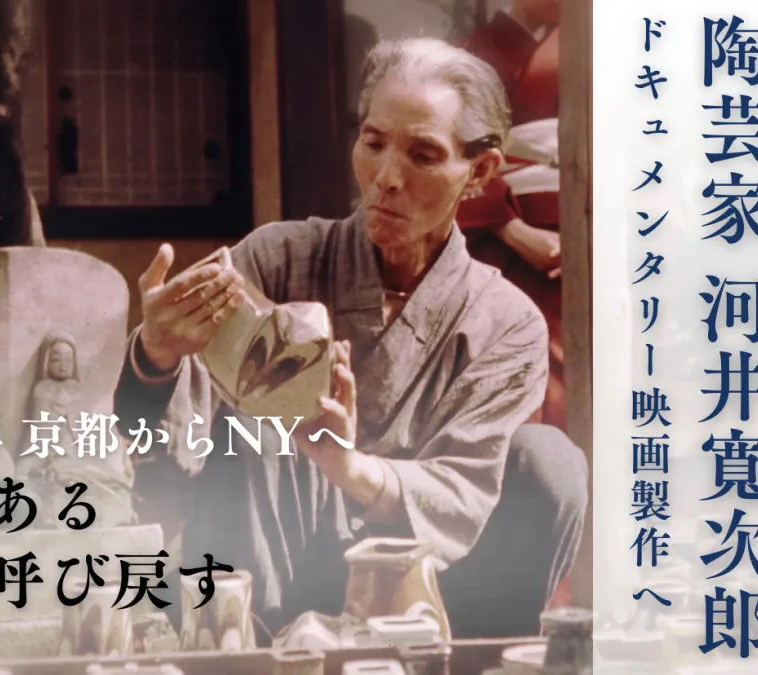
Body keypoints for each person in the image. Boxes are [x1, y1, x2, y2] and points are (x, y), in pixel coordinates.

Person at [115, 38, 587, 640]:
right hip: (273, 568)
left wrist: (348, 466)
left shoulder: (506, 321)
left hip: (426, 584)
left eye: (422, 155)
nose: (386, 177)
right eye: (373, 143)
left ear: (481, 170)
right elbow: (171, 445)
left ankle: (476, 663)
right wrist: (158, 356)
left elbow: (464, 493)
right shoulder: (277, 259)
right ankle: (252, 649)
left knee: (551, 462)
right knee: (258, 413)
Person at [458, 0, 565, 429]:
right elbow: (453, 156)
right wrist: (511, 228)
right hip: (499, 238)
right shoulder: (472, 57)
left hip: (586, 237)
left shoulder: (601, 48)